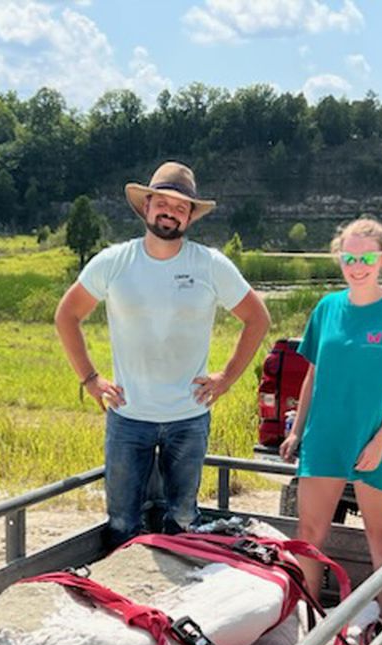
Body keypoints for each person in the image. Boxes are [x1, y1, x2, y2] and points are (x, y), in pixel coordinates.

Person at [55, 161, 270, 545]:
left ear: (190, 216)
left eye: (181, 206)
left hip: (188, 416)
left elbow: (257, 318)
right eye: (164, 203)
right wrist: (90, 379)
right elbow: (67, 315)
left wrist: (226, 378)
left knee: (183, 519)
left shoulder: (209, 265)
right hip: (128, 416)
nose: (170, 212)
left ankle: (176, 599)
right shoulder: (114, 262)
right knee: (121, 522)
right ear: (147, 204)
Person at [279, 218, 382, 621]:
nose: (357, 265)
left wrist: (381, 442)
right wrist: (296, 431)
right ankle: (308, 624)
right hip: (325, 437)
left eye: (366, 256)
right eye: (349, 257)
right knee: (309, 535)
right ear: (339, 257)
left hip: (377, 440)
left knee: (381, 540)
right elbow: (314, 373)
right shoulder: (327, 308)